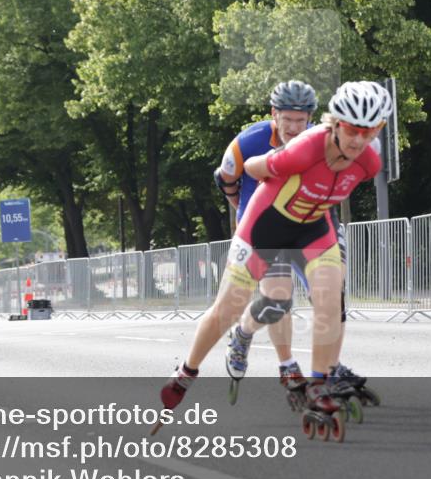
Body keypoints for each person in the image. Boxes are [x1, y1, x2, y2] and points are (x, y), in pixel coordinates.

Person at [160, 81, 389, 435]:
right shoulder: (300, 150)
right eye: (352, 130)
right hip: (265, 225)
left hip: (314, 227)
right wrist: (248, 202)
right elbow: (247, 168)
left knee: (331, 294)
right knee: (230, 308)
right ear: (335, 123)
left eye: (369, 131)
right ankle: (187, 371)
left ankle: (320, 383)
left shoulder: (370, 161)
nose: (359, 140)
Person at [214, 80, 317, 401]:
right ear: (274, 114)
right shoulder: (248, 141)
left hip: (305, 223)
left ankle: (330, 366)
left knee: (328, 294)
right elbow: (225, 179)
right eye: (287, 119)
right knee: (277, 297)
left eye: (302, 121)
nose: (295, 127)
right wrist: (243, 216)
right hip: (263, 226)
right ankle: (279, 358)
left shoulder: (319, 142)